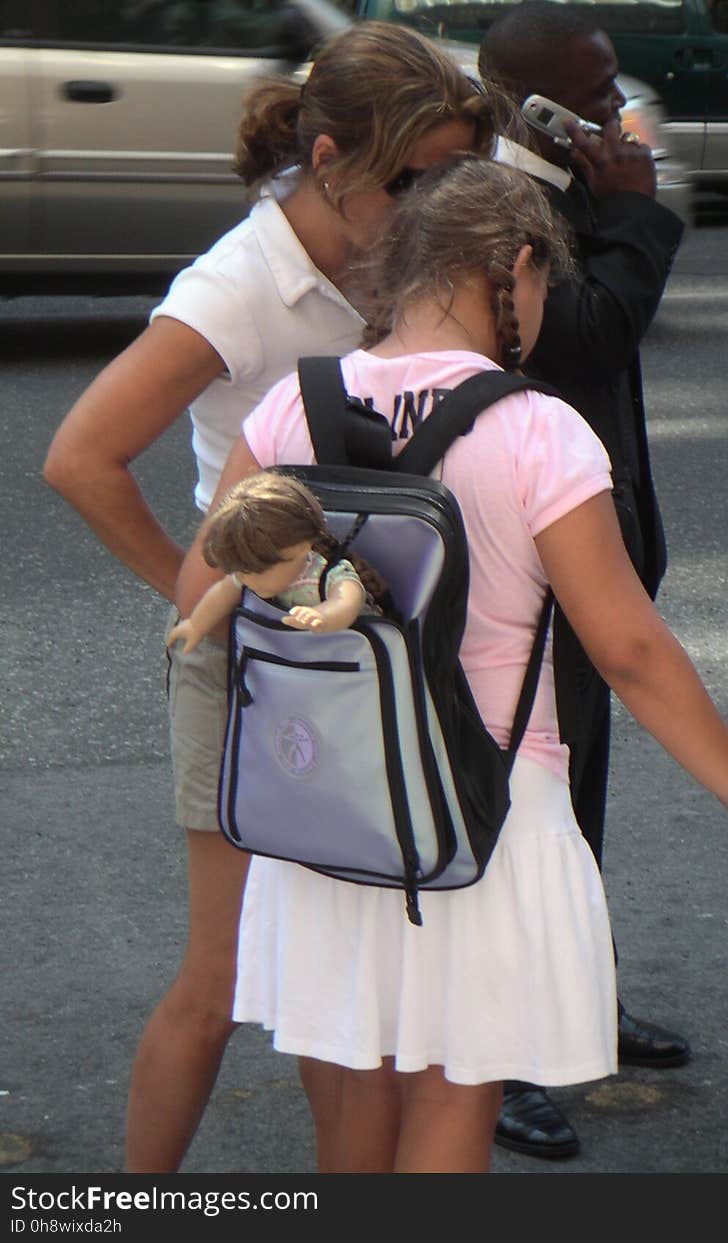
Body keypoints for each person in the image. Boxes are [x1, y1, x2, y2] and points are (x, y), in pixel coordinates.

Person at [174, 154, 728, 1175]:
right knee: (454, 1093)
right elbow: (625, 644)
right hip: (478, 809)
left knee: (361, 1082)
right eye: (542, 286)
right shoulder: (539, 432)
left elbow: (201, 592)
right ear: (517, 266)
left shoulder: (291, 409)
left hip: (326, 804)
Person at [41, 20, 493, 1174]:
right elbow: (81, 457)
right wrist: (198, 598)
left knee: (339, 973)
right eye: (415, 177)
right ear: (333, 158)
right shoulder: (240, 285)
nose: (441, 200)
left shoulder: (394, 249)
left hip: (364, 645)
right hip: (255, 658)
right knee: (227, 973)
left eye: (456, 173)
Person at [478, 0, 691, 1157]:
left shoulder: (562, 193)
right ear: (534, 105)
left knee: (578, 810)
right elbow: (586, 335)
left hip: (587, 561)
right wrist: (634, 216)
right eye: (595, 90)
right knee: (528, 820)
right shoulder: (487, 208)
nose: (617, 107)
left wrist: (611, 206)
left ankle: (572, 1004)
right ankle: (504, 1057)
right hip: (517, 578)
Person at [166, 472, 381, 653]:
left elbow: (347, 603)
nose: (248, 579)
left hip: (349, 659)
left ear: (300, 548)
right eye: (241, 571)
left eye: (259, 570)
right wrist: (196, 625)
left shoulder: (328, 575)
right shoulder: (249, 576)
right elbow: (221, 593)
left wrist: (323, 616)